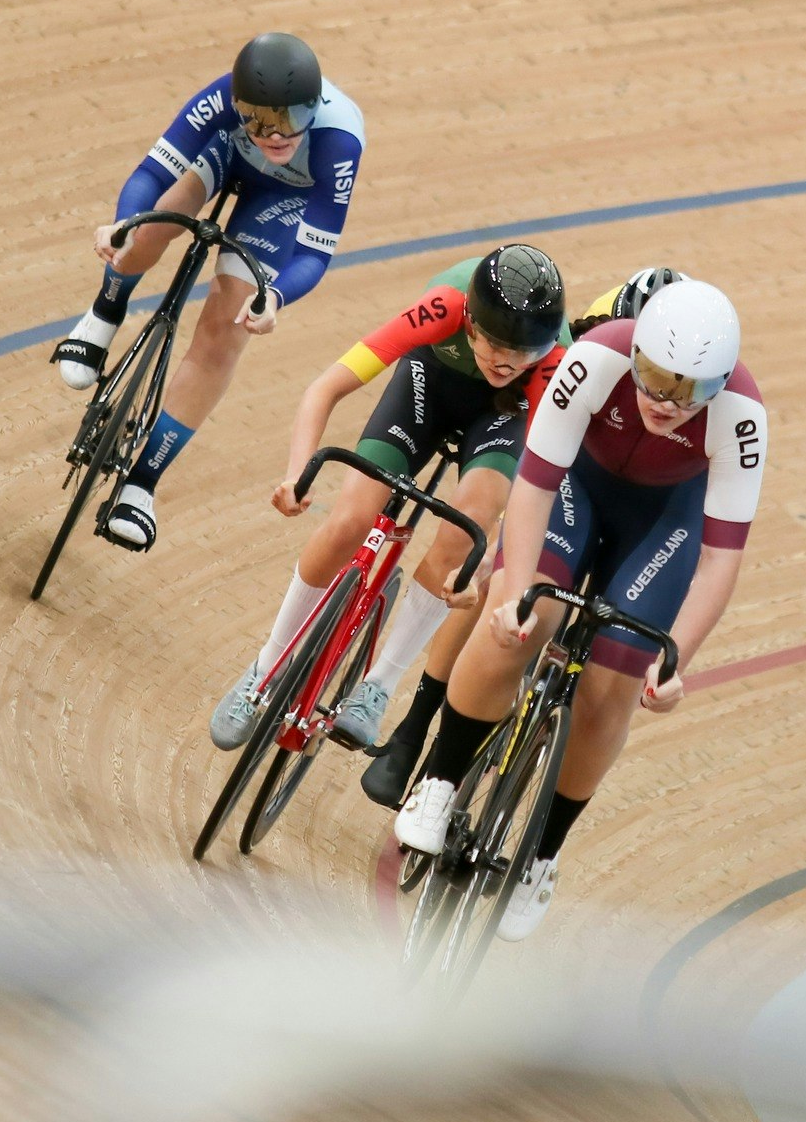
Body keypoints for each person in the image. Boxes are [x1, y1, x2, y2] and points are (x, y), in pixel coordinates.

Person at [392, 278, 767, 942]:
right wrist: (511, 595)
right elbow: (533, 487)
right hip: (575, 488)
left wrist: (676, 656)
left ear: (721, 384)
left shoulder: (741, 414)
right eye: (653, 377)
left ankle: (542, 853)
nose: (665, 402)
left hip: (663, 521)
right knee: (519, 623)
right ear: (636, 353)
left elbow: (719, 558)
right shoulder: (596, 355)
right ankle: (441, 779)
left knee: (614, 681)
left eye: (691, 391)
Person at [208, 245, 569, 763]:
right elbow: (326, 387)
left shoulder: (552, 364)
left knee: (465, 532)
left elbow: (541, 485)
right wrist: (298, 473)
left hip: (501, 418)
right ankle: (265, 667)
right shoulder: (444, 307)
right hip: (429, 386)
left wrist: (492, 555)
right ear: (470, 323)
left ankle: (378, 685)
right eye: (493, 346)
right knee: (351, 519)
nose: (506, 362)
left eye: (522, 355)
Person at [359, 265, 694, 803]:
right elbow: (542, 445)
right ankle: (413, 728)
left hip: (640, 490)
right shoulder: (598, 330)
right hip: (574, 464)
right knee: (500, 579)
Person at [50, 32, 366, 550]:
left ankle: (141, 485)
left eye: (291, 118)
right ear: (237, 105)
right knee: (150, 228)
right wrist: (123, 224)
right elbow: (152, 173)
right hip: (226, 158)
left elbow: (313, 255)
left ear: (316, 105)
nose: (276, 134)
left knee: (225, 330)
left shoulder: (338, 142)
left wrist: (275, 297)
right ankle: (104, 316)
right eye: (259, 119)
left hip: (284, 199)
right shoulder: (218, 100)